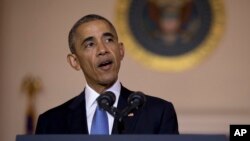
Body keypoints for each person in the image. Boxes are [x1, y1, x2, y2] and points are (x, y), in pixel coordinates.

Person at [35, 14, 179, 134]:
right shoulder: (51, 122)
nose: (103, 49)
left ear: (120, 50)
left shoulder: (158, 113)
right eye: (90, 44)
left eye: (108, 40)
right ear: (75, 61)